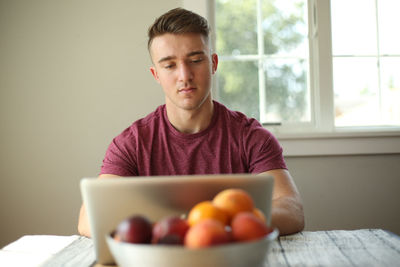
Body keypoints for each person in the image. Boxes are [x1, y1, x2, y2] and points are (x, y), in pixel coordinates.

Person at [78, 7, 304, 237]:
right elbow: (88, 220)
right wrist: (187, 231)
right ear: (156, 74)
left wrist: (216, 231)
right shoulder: (131, 144)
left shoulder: (252, 137)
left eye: (195, 60)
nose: (184, 75)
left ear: (213, 63)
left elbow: (291, 209)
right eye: (169, 65)